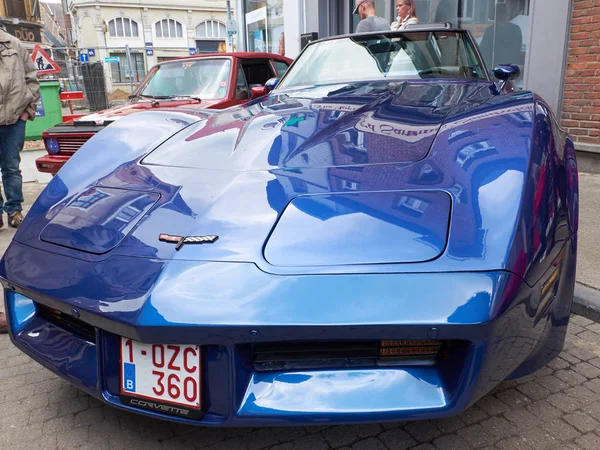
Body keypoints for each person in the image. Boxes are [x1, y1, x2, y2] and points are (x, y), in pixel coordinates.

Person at [0, 28, 40, 334]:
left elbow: (31, 78)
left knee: (11, 167)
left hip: (13, 119)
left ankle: (14, 210)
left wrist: (27, 111)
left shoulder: (13, 44)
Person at [479, 4, 523, 70]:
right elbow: (517, 50)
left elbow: (484, 52)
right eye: (506, 14)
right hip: (510, 70)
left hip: (495, 70)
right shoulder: (515, 29)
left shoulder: (490, 30)